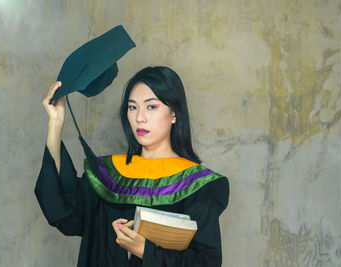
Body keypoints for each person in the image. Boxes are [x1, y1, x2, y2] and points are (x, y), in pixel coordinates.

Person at [35, 66, 229, 267]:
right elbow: (65, 213)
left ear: (174, 114)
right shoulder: (108, 175)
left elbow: (206, 262)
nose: (139, 118)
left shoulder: (197, 185)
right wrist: (55, 124)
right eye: (132, 107)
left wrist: (145, 251)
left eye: (151, 107)